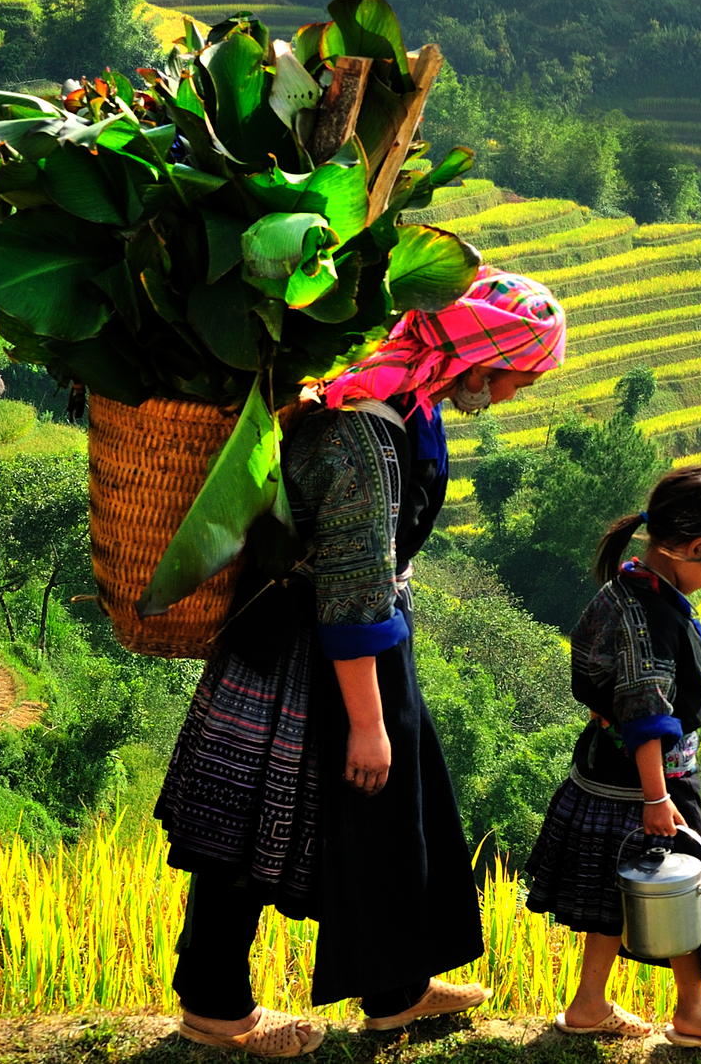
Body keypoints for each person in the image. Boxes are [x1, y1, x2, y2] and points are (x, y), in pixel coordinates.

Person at [155, 269, 567, 1057]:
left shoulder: (410, 401)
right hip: (306, 647)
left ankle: (398, 990)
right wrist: (370, 721)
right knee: (245, 827)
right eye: (521, 374)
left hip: (364, 638)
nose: (518, 392)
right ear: (483, 357)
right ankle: (214, 1007)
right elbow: (349, 589)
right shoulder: (360, 432)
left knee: (390, 820)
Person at [524, 464, 701, 1052]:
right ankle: (695, 1014)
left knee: (617, 893)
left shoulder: (626, 588)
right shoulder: (648, 615)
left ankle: (588, 1005)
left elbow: (603, 686)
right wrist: (658, 798)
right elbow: (643, 711)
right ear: (695, 548)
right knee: (682, 885)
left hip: (604, 770)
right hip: (651, 781)